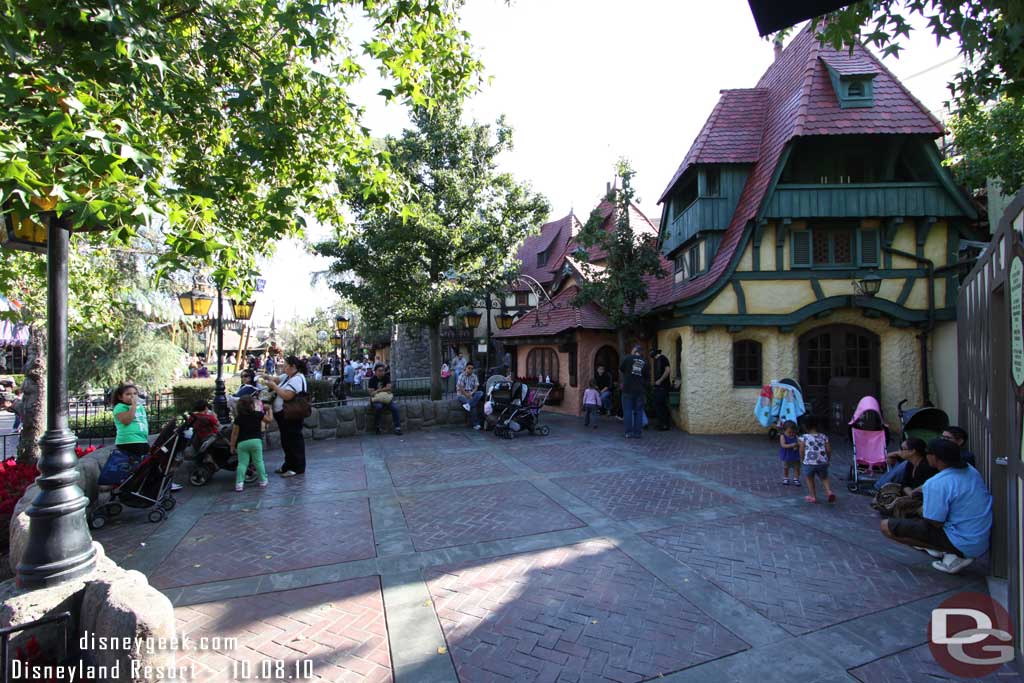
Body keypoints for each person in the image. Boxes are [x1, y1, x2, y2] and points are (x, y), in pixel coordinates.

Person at [881, 438, 992, 574]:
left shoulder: (936, 483)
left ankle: (952, 552)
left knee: (886, 526)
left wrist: (920, 509)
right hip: (979, 538)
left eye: (928, 453)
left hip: (964, 543)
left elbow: (935, 522)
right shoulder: (970, 470)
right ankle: (953, 552)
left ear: (935, 457)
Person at [264, 355, 308, 477]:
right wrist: (265, 377)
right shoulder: (288, 376)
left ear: (293, 366)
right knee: (286, 440)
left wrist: (274, 387)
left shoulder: (297, 379)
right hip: (283, 415)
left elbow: (287, 395)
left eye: (285, 365)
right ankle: (288, 465)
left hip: (291, 415)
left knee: (294, 440)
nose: (283, 367)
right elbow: (276, 378)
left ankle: (297, 467)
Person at [229, 395, 271, 492]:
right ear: (252, 405)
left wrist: (232, 445)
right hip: (256, 441)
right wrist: (269, 410)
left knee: (242, 464)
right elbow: (269, 420)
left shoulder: (238, 418)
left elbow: (234, 434)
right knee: (258, 462)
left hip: (242, 443)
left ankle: (239, 483)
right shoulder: (258, 414)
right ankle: (263, 480)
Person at [800, 416, 835, 503]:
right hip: (822, 462)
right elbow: (829, 450)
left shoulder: (804, 437)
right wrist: (828, 459)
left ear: (805, 426)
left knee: (810, 478)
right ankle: (829, 492)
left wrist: (802, 458)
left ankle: (813, 496)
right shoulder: (823, 437)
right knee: (824, 478)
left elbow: (801, 450)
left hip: (809, 463)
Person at [112, 383, 150, 458]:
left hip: (142, 439)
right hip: (129, 441)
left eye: (135, 393)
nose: (132, 396)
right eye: (128, 394)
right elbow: (127, 421)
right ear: (120, 397)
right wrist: (134, 405)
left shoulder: (140, 407)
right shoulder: (120, 407)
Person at [619, 345, 648, 439]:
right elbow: (646, 377)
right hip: (639, 390)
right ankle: (638, 433)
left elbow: (621, 369)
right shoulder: (645, 362)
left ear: (634, 350)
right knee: (638, 412)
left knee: (627, 411)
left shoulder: (627, 358)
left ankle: (628, 432)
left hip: (627, 389)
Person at [368, 364, 402, 435]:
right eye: (380, 371)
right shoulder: (372, 380)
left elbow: (389, 388)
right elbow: (371, 393)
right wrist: (384, 390)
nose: (382, 372)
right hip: (377, 400)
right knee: (378, 407)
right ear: (375, 371)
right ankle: (377, 426)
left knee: (395, 408)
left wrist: (378, 391)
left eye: (383, 371)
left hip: (386, 399)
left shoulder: (387, 377)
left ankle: (397, 427)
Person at [456, 362, 483, 430]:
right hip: (462, 394)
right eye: (469, 368)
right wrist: (467, 395)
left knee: (480, 393)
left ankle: (468, 404)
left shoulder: (474, 376)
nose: (470, 370)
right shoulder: (461, 376)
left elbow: (476, 387)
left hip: (471, 393)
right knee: (473, 406)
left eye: (472, 368)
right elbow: (461, 388)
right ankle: (476, 424)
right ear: (466, 368)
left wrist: (471, 393)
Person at [650, 348, 671, 431]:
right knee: (659, 405)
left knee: (660, 405)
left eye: (651, 353)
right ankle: (661, 424)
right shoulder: (657, 360)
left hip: (663, 386)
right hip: (658, 386)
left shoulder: (663, 358)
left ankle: (664, 425)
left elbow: (668, 370)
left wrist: (660, 380)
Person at [778, 420, 800, 486]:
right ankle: (786, 478)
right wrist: (791, 445)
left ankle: (796, 478)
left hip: (795, 455)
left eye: (793, 432)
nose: (791, 434)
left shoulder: (796, 436)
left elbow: (799, 443)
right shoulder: (783, 436)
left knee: (797, 467)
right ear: (784, 431)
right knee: (786, 467)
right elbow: (783, 445)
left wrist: (797, 445)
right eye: (789, 432)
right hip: (787, 455)